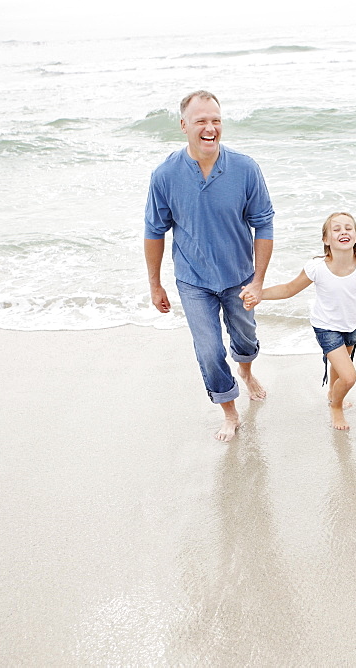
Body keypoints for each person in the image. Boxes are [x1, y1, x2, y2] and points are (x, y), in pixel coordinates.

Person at [144, 90, 274, 442]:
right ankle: (229, 411)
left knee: (245, 340)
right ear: (184, 125)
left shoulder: (245, 169)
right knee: (209, 351)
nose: (210, 128)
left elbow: (264, 224)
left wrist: (258, 280)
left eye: (215, 120)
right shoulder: (165, 175)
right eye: (201, 120)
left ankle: (246, 373)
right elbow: (154, 232)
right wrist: (155, 284)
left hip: (239, 277)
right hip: (193, 280)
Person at [241, 212, 356, 430]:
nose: (343, 231)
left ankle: (332, 394)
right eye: (336, 229)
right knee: (349, 377)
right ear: (326, 240)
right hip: (326, 327)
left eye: (348, 228)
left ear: (355, 236)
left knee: (338, 369)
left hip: (352, 326)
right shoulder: (317, 267)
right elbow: (289, 289)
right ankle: (336, 408)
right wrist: (259, 294)